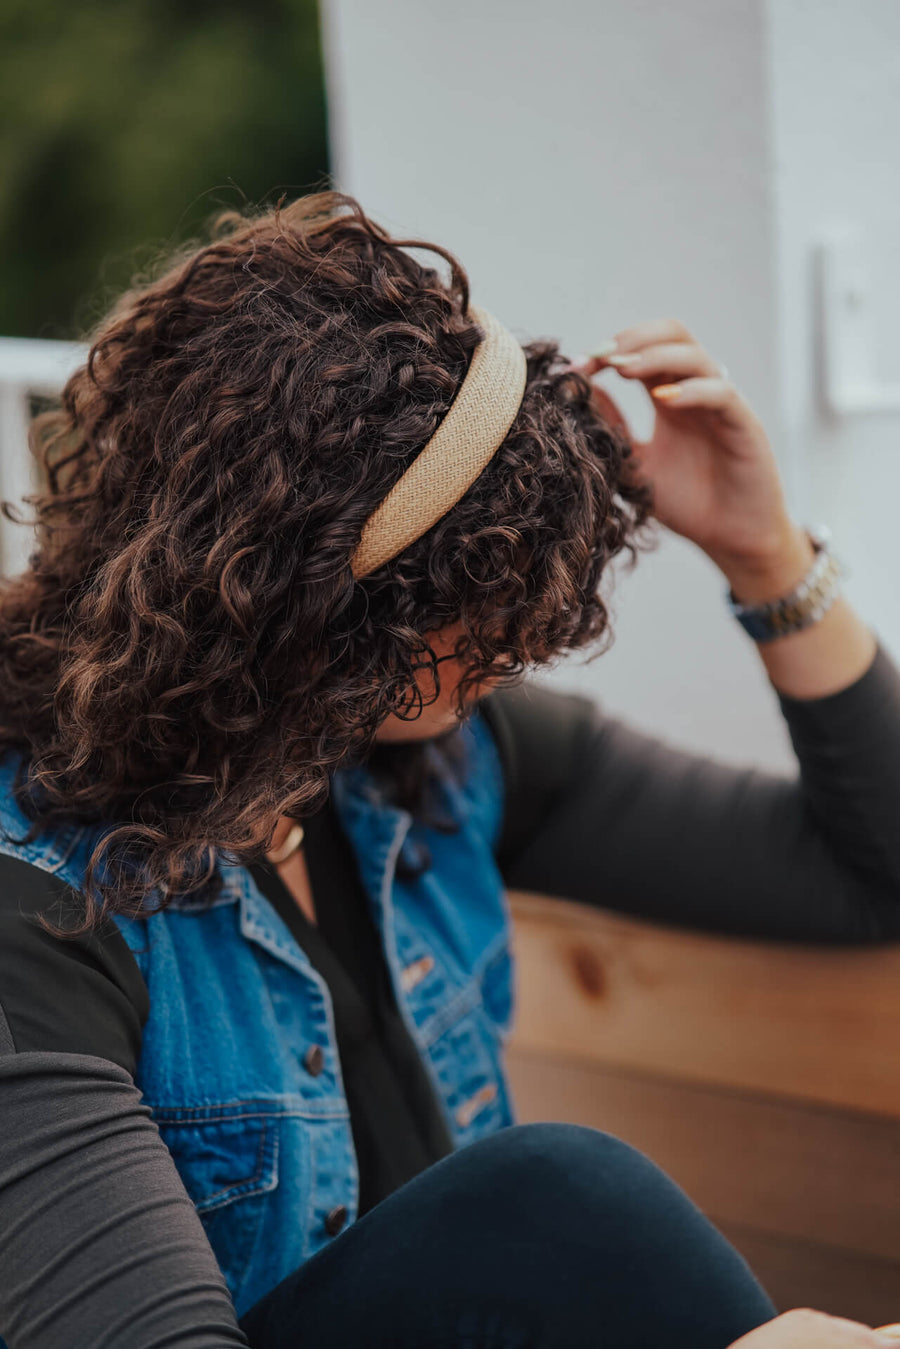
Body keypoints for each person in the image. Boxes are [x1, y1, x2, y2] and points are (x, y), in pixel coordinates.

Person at [0, 191, 898, 1349]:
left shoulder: (422, 758)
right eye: (473, 600)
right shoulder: (33, 909)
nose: (513, 635)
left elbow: (867, 867)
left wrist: (766, 554)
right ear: (305, 608)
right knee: (557, 1195)